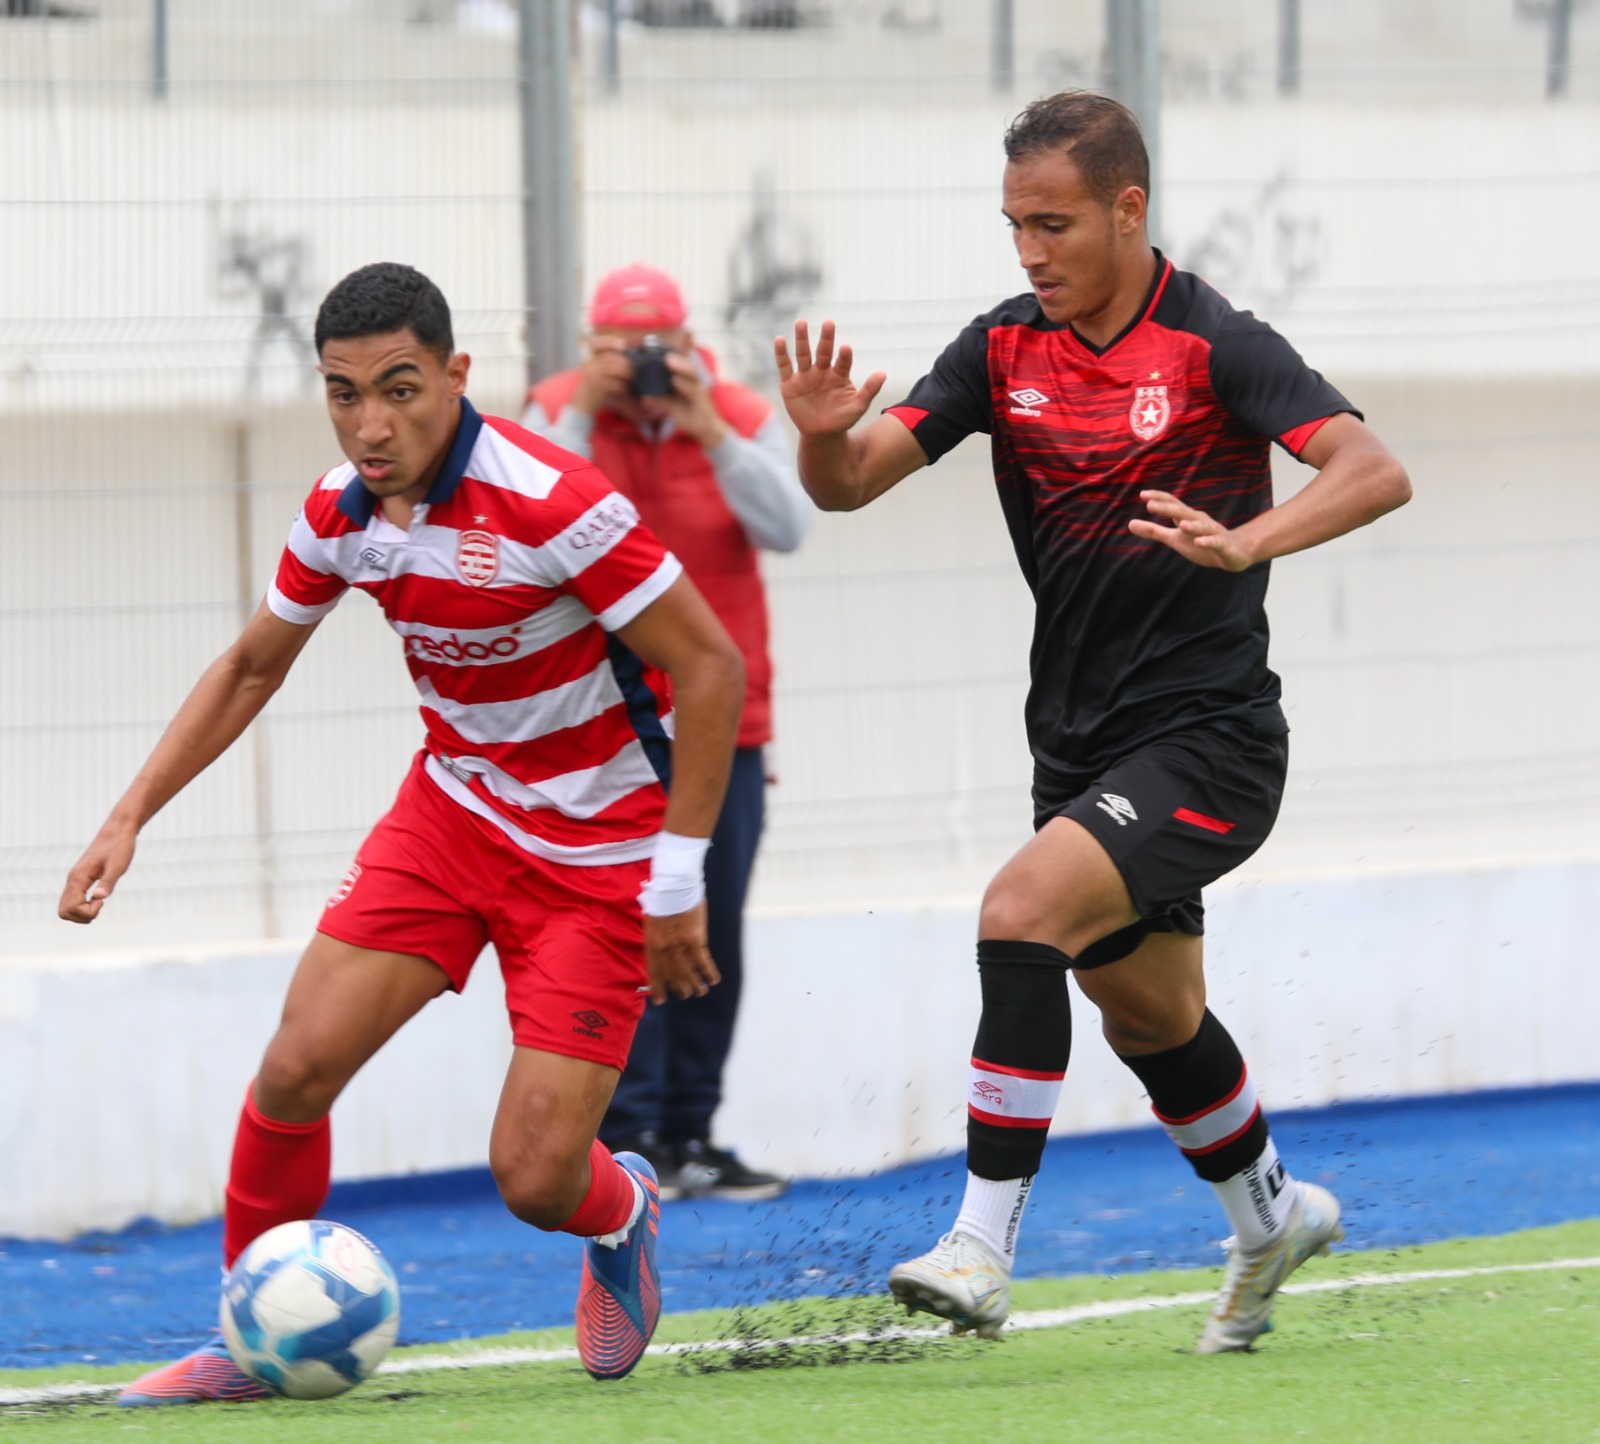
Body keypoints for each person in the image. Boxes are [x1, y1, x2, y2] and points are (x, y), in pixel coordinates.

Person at [774, 91, 1411, 1354]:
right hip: (1077, 745)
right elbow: (849, 488)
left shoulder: (1214, 342)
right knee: (1150, 1014)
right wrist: (817, 444)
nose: (1029, 251)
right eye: (1014, 224)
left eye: (1053, 224)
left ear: (1129, 209)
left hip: (1211, 740)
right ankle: (1269, 1216)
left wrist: (1246, 541)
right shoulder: (1002, 349)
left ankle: (979, 1245)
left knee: (1017, 915)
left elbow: (1370, 468)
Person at [59, 262, 745, 1404]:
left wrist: (676, 876)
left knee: (532, 1177)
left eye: (398, 389)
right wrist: (128, 817)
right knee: (295, 1064)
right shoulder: (341, 512)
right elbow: (248, 667)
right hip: (453, 818)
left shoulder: (554, 499)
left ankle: (621, 1206)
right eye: (342, 394)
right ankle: (250, 1337)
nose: (370, 426)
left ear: (456, 376)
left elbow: (710, 663)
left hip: (597, 859)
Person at [523, 264, 808, 1203]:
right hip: (604, 723)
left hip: (727, 725)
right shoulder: (558, 413)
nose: (643, 368)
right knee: (617, 928)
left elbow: (789, 524)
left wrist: (711, 432)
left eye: (658, 350)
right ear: (590, 350)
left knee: (711, 926)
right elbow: (526, 527)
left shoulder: (728, 412)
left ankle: (692, 1129)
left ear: (690, 346)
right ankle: (627, 1131)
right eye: (621, 351)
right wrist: (582, 411)